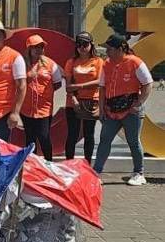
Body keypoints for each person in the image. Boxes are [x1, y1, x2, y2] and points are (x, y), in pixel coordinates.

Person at [94, 34, 154, 185]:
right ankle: (96, 172)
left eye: (110, 49)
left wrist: (138, 104)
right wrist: (101, 108)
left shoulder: (135, 62)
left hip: (131, 110)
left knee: (133, 141)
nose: (107, 52)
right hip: (111, 110)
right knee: (104, 140)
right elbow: (102, 87)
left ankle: (139, 173)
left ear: (121, 48)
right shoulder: (106, 64)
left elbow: (148, 84)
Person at [20, 34, 62, 161]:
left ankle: (49, 164)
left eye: (41, 47)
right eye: (35, 47)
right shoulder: (21, 64)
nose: (39, 50)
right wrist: (28, 77)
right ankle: (31, 165)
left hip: (44, 109)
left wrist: (45, 93)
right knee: (30, 139)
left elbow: (58, 83)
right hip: (26, 110)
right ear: (29, 49)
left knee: (44, 137)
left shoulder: (50, 64)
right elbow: (16, 84)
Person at [64, 32, 104, 163]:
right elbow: (69, 86)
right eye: (79, 44)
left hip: (91, 101)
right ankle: (69, 163)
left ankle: (87, 163)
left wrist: (80, 86)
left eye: (85, 44)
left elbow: (99, 82)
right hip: (73, 102)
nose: (82, 47)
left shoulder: (98, 62)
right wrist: (74, 98)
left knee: (89, 134)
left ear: (91, 45)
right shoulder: (71, 61)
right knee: (72, 134)